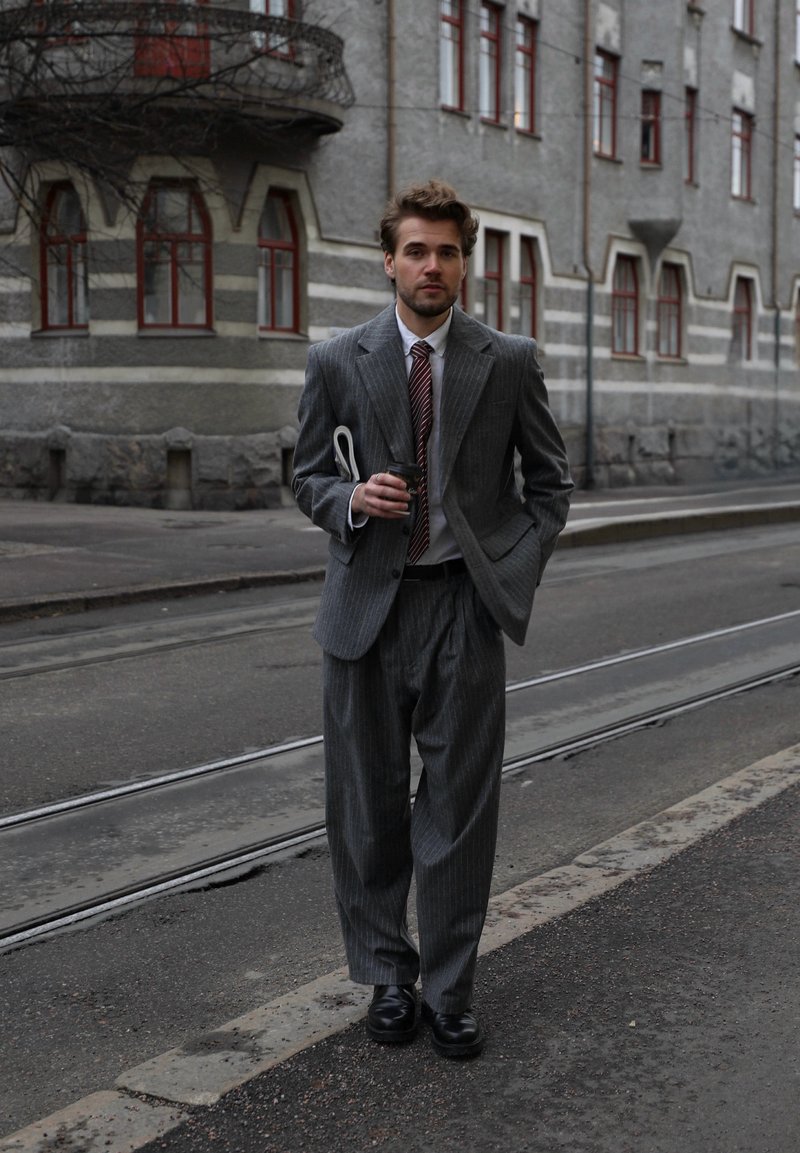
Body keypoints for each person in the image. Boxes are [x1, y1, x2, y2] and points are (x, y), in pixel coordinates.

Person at [292, 180, 572, 1058]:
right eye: (416, 250)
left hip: (461, 606)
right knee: (366, 807)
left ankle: (451, 990)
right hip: (365, 609)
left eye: (447, 251)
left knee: (457, 809)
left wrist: (505, 573)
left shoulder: (509, 360)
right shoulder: (338, 359)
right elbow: (304, 474)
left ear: (465, 262)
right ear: (389, 260)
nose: (432, 266)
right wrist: (347, 499)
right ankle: (388, 977)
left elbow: (550, 488)